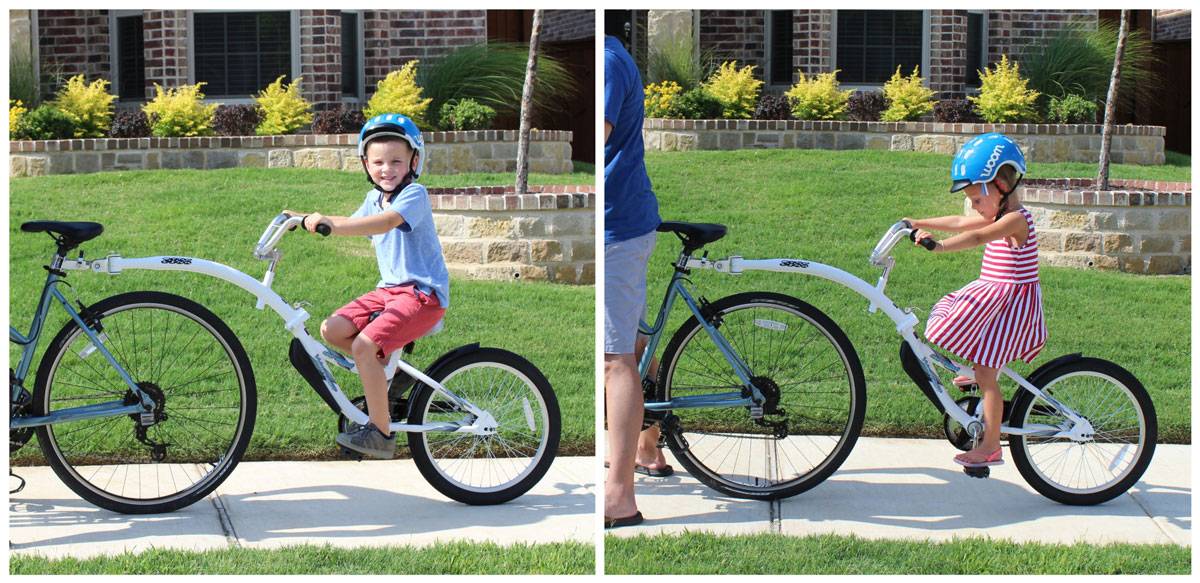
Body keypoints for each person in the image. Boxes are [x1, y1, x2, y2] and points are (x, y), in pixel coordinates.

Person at [286, 113, 450, 459]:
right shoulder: (374, 198)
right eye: (378, 162)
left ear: (413, 162)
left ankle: (381, 433)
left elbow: (383, 224)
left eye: (395, 161)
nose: (386, 169)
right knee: (332, 329)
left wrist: (330, 225)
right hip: (389, 291)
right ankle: (384, 371)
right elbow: (353, 220)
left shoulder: (414, 195)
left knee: (362, 346)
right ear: (365, 164)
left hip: (423, 295)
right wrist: (305, 217)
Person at [906, 132, 1046, 469]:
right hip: (996, 298)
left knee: (986, 374)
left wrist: (938, 247)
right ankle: (979, 373)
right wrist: (918, 222)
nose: (974, 207)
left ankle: (991, 446)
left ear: (1001, 184)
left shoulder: (1014, 220)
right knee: (959, 328)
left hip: (1012, 304)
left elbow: (977, 236)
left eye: (977, 199)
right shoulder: (997, 215)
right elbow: (958, 222)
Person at [604, 32, 662, 528]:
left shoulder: (605, 62)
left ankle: (619, 497)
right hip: (626, 220)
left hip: (614, 226)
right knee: (637, 342)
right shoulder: (614, 54)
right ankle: (647, 447)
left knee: (615, 360)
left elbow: (595, 138)